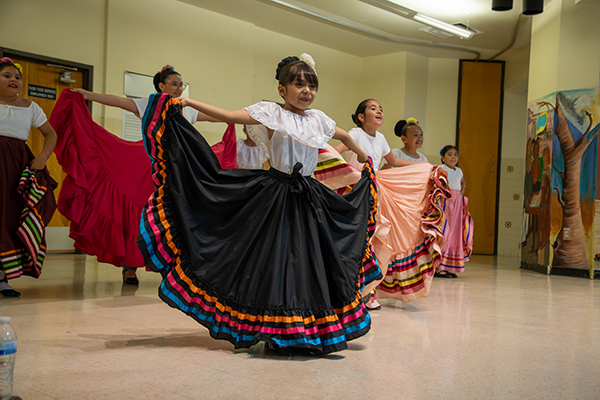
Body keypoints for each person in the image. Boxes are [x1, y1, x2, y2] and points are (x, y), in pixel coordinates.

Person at [137, 54, 382, 355]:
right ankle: (274, 327)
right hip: (275, 196)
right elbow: (229, 115)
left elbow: (343, 134)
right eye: (298, 84)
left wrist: (365, 157)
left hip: (308, 196)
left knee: (307, 262)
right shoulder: (271, 112)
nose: (306, 91)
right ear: (282, 89)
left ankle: (304, 327)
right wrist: (189, 103)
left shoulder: (318, 119)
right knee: (276, 261)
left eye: (312, 86)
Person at [51, 65, 232, 285]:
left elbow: (213, 116)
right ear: (161, 85)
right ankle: (130, 266)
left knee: (174, 213)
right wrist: (88, 95)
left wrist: (232, 118)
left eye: (181, 85)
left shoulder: (187, 108)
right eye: (174, 84)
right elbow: (117, 101)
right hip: (146, 161)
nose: (179, 88)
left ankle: (173, 265)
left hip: (176, 166)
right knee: (139, 212)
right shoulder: (149, 103)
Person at [320, 102, 449, 308]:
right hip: (356, 190)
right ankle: (351, 290)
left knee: (377, 239)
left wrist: (425, 166)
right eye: (373, 108)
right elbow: (336, 150)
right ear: (361, 116)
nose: (379, 111)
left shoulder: (380, 138)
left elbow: (395, 162)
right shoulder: (354, 133)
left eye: (381, 108)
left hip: (376, 189)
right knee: (361, 238)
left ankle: (370, 292)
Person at [0, 57, 58, 297]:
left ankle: (3, 278)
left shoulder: (31, 106)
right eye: (7, 75)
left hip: (16, 168)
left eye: (17, 77)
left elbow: (51, 134)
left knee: (10, 215)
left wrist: (43, 157)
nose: (14, 79)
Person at [436, 145, 473, 277]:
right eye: (449, 154)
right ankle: (439, 266)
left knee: (456, 233)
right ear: (442, 157)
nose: (453, 157)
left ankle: (449, 266)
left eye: (455, 154)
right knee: (446, 231)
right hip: (446, 202)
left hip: (457, 203)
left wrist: (460, 193)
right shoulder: (441, 169)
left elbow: (463, 182)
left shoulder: (459, 170)